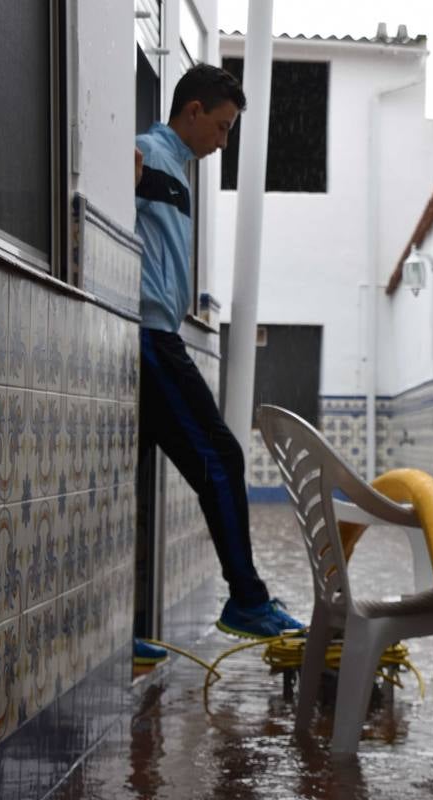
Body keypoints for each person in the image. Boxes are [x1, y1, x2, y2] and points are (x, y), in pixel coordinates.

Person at [131, 64, 303, 663]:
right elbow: (110, 177)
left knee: (128, 485)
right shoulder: (149, 153)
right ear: (194, 110)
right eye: (223, 128)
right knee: (222, 457)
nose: (224, 142)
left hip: (158, 334)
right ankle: (248, 600)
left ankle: (120, 629)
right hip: (149, 338)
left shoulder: (174, 167)